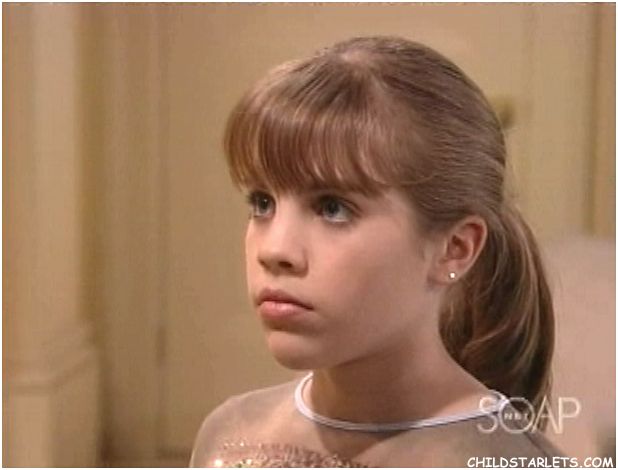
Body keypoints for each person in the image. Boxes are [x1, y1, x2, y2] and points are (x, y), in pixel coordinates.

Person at [190, 36, 565, 467]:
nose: (275, 250)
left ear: (454, 249)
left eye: (332, 208)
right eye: (262, 203)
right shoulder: (229, 433)